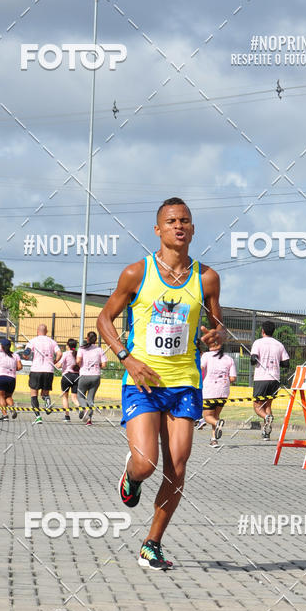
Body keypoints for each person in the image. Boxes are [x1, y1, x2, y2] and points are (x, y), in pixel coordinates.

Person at [97, 197, 224, 572]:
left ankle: (151, 544)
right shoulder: (137, 273)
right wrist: (127, 358)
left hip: (184, 383)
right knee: (146, 463)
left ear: (193, 229)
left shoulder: (208, 278)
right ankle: (132, 475)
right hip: (143, 380)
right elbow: (105, 319)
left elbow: (216, 328)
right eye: (171, 221)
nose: (178, 226)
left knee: (178, 468)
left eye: (185, 220)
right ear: (158, 229)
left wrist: (215, 337)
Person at [251, 321, 290, 440]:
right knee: (268, 404)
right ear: (273, 331)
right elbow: (286, 363)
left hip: (261, 378)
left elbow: (253, 360)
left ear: (262, 331)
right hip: (275, 379)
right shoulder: (279, 345)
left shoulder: (257, 343)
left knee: (257, 407)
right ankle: (266, 433)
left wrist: (256, 359)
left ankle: (267, 417)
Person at [200, 338, 237, 447]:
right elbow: (233, 378)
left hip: (209, 392)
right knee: (216, 415)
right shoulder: (229, 359)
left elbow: (201, 368)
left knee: (207, 417)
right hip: (224, 392)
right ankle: (214, 439)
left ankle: (217, 424)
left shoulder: (206, 356)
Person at [25, 324, 62, 423]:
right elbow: (59, 353)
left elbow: (27, 352)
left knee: (34, 394)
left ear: (37, 331)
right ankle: (47, 401)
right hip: (48, 370)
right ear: (47, 331)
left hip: (36, 370)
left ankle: (38, 417)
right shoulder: (52, 342)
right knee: (45, 392)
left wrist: (26, 355)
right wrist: (54, 361)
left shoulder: (33, 341)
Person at [77, 331, 107, 425]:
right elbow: (104, 364)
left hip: (84, 375)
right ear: (96, 340)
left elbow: (78, 361)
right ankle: (89, 420)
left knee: (80, 395)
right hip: (96, 376)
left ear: (87, 338)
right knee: (91, 398)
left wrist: (81, 366)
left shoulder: (82, 349)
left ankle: (85, 410)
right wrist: (98, 366)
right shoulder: (99, 349)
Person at [0, 339, 22, 420]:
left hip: (1, 377)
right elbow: (19, 367)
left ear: (1, 346)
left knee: (1, 397)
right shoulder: (15, 356)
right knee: (8, 396)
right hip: (12, 379)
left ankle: (5, 415)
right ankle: (12, 408)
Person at [58, 338, 82, 422]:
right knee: (74, 398)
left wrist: (54, 364)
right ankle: (80, 408)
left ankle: (67, 416)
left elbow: (59, 365)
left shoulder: (65, 354)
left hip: (67, 376)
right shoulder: (78, 354)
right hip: (77, 376)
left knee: (65, 397)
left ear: (68, 346)